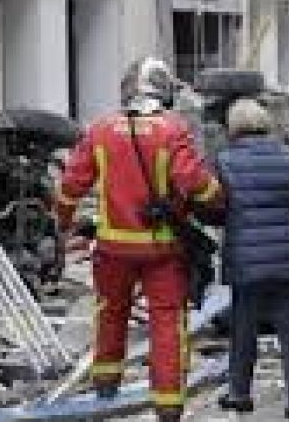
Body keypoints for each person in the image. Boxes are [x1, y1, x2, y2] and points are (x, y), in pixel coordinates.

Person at [53, 57, 222, 422]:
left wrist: (62, 224)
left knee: (110, 313)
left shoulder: (100, 130)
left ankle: (106, 384)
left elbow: (70, 185)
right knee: (167, 320)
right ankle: (168, 403)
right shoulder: (172, 130)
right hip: (161, 248)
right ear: (163, 92)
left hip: (112, 248)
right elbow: (193, 181)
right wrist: (218, 201)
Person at [214, 98, 289, 422]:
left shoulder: (224, 162)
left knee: (244, 329)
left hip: (245, 262)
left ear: (233, 128)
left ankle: (240, 393)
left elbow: (213, 208)